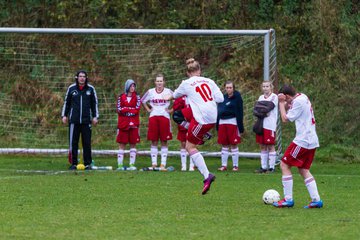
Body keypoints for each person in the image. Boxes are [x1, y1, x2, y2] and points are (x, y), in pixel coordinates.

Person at [164, 58, 224, 195]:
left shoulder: (186, 83)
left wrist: (166, 97)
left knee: (189, 147)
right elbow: (220, 99)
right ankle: (202, 134)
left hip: (203, 119)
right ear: (200, 71)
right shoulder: (210, 81)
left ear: (187, 72)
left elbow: (174, 96)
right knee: (178, 115)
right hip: (212, 115)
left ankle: (207, 176)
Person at [273, 84, 323, 208]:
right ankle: (316, 200)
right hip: (312, 140)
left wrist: (280, 103)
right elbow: (292, 107)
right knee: (303, 169)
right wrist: (286, 103)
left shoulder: (297, 102)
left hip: (303, 140)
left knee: (284, 164)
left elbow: (285, 118)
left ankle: (288, 199)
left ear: (287, 96)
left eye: (285, 98)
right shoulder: (302, 97)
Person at [61, 70, 99, 170]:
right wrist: (64, 115)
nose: (82, 78)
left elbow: (94, 104)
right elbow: (67, 103)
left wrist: (95, 116)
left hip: (86, 121)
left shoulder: (90, 89)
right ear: (76, 77)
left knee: (87, 142)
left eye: (84, 76)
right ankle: (73, 163)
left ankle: (87, 163)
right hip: (74, 120)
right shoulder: (71, 89)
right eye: (80, 76)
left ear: (86, 78)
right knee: (73, 142)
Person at [141, 74, 173, 170]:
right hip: (153, 117)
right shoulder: (150, 92)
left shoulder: (168, 91)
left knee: (164, 140)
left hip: (165, 117)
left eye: (161, 81)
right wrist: (148, 109)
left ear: (164, 82)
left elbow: (178, 99)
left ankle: (163, 164)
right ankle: (154, 163)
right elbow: (142, 100)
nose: (159, 83)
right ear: (155, 82)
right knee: (154, 140)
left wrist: (171, 110)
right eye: (157, 81)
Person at [216, 81, 244, 172]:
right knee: (224, 144)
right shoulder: (222, 98)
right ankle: (224, 165)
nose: (228, 89)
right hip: (222, 123)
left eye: (230, 87)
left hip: (232, 122)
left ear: (233, 88)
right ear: (225, 88)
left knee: (233, 144)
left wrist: (240, 126)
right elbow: (218, 111)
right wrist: (217, 123)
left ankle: (235, 166)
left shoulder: (237, 97)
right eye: (227, 87)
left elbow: (240, 111)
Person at [116, 79, 141, 171]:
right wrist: (129, 109)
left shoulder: (137, 97)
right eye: (131, 86)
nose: (132, 88)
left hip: (134, 124)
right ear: (127, 87)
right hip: (123, 124)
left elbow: (136, 110)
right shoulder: (121, 97)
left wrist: (126, 109)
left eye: (134, 86)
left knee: (133, 144)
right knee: (122, 144)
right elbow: (119, 110)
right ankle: (120, 165)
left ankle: (131, 164)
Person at [254, 81, 278, 174]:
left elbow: (269, 107)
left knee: (270, 145)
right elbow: (256, 110)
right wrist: (263, 109)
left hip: (270, 125)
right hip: (261, 124)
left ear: (271, 87)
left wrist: (262, 108)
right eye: (264, 86)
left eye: (267, 86)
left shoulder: (274, 97)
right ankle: (263, 167)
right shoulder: (260, 97)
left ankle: (271, 168)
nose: (265, 88)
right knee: (262, 146)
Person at [172, 96, 195, 171]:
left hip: (193, 121)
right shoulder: (180, 97)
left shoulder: (194, 95)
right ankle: (183, 165)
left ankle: (192, 165)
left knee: (192, 143)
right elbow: (176, 108)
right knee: (183, 143)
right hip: (183, 123)